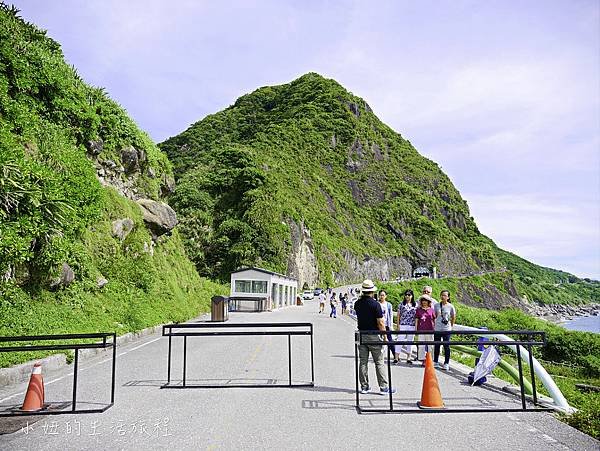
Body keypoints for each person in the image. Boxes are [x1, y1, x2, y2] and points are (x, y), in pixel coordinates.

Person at [354, 279, 395, 395]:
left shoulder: (357, 303)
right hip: (374, 335)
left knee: (363, 362)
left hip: (361, 334)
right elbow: (381, 323)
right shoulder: (375, 304)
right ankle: (383, 387)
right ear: (372, 292)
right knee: (379, 362)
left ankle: (364, 387)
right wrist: (385, 337)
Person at [433, 290, 456, 370]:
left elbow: (453, 317)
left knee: (446, 346)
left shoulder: (451, 306)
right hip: (437, 328)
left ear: (448, 297)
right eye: (442, 295)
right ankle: (435, 361)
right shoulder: (436, 305)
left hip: (446, 329)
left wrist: (451, 326)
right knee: (437, 345)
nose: (443, 297)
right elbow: (435, 316)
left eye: (445, 295)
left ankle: (446, 363)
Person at [394, 289, 416, 364]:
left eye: (409, 295)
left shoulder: (415, 305)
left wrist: (416, 326)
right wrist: (398, 325)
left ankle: (409, 358)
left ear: (412, 296)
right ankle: (396, 357)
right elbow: (398, 315)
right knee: (399, 340)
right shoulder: (401, 304)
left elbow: (417, 317)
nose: (407, 296)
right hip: (403, 324)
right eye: (406, 294)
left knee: (410, 342)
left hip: (412, 325)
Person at [415, 294, 435, 366]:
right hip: (421, 329)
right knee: (421, 345)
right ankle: (423, 360)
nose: (424, 302)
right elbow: (416, 320)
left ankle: (430, 359)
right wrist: (416, 329)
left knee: (431, 345)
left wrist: (435, 329)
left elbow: (434, 320)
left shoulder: (432, 310)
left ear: (428, 302)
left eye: (426, 300)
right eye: (423, 300)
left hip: (430, 329)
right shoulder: (418, 310)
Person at [377, 290, 395, 360]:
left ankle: (395, 355)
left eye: (383, 295)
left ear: (386, 296)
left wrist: (391, 326)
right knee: (379, 341)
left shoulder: (389, 305)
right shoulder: (377, 304)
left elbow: (391, 315)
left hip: (386, 325)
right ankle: (379, 356)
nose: (382, 296)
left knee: (390, 341)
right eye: (380, 295)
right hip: (378, 325)